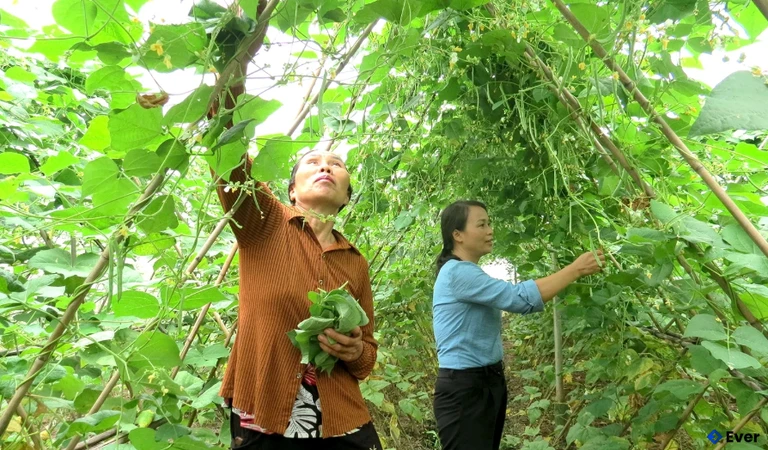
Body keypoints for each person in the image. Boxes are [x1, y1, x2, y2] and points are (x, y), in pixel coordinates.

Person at [214, 149, 382, 450]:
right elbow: (230, 162)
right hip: (264, 414)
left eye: (336, 165)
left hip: (341, 418)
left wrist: (355, 350)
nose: (326, 168)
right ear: (292, 191)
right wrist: (224, 105)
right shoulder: (264, 222)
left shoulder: (355, 262)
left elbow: (367, 357)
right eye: (313, 163)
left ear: (346, 197)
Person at [432, 200, 604, 450]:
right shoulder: (458, 273)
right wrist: (575, 269)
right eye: (482, 224)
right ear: (457, 235)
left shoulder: (467, 271)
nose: (490, 230)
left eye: (489, 223)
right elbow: (518, 298)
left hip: (485, 382)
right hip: (465, 389)